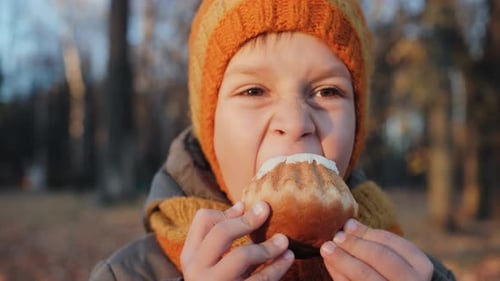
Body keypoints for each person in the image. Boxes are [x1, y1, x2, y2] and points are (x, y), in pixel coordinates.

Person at [90, 0, 456, 280]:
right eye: (253, 90)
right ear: (210, 125)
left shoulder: (413, 271)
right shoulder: (125, 274)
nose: (296, 123)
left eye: (328, 91)